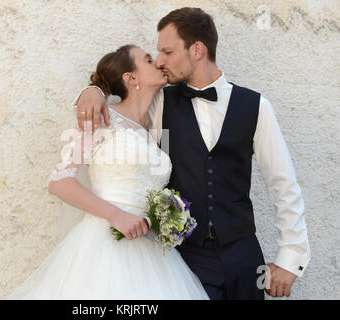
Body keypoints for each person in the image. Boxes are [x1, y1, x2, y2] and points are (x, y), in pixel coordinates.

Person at [74, 7, 310, 299]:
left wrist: (291, 258)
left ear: (197, 49)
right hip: (185, 258)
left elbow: (282, 183)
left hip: (244, 255)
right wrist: (93, 90)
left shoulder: (256, 106)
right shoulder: (159, 103)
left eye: (168, 51)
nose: (160, 61)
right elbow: (122, 100)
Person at [6, 44, 210, 299]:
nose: (158, 63)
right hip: (105, 242)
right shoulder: (103, 117)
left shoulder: (154, 128)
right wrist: (116, 215)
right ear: (131, 78)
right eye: (148, 60)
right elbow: (60, 181)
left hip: (150, 249)